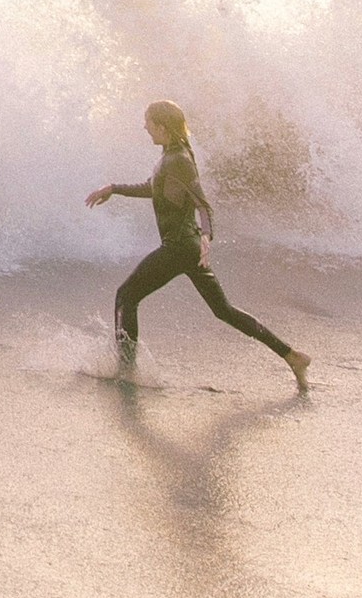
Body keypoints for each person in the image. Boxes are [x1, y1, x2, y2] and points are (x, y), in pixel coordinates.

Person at [87, 99, 306, 388]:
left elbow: (203, 205)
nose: (144, 126)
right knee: (224, 310)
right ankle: (292, 355)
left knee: (126, 296)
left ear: (161, 126)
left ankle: (126, 368)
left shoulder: (179, 160)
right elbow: (153, 188)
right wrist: (114, 189)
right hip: (185, 248)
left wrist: (206, 236)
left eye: (148, 122)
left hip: (180, 247)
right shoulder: (170, 154)